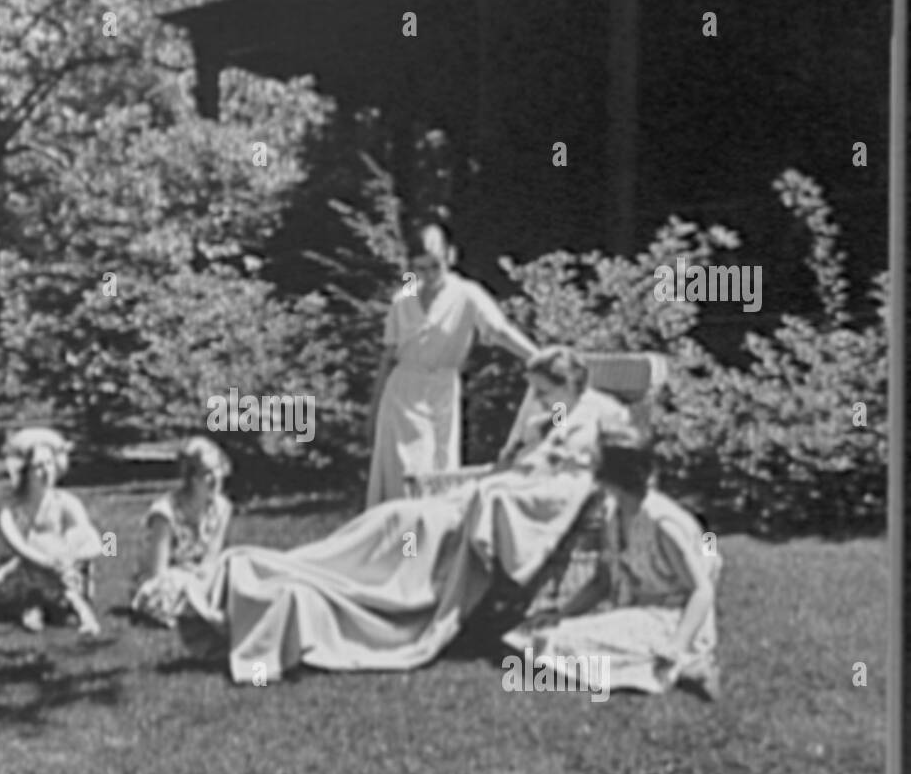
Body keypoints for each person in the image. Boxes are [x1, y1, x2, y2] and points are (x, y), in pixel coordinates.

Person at [185, 346, 634, 683]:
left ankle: (365, 599)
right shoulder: (544, 415)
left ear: (573, 386)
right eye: (534, 392)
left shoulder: (604, 416)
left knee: (425, 525)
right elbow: (508, 461)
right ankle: (292, 570)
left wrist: (505, 490)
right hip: (481, 497)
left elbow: (592, 482)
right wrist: (511, 462)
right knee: (395, 516)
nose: (536, 400)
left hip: (509, 505)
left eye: (544, 391)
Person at [503, 435, 722, 699]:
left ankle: (686, 661)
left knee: (561, 643)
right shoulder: (613, 515)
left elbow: (702, 591)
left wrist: (678, 644)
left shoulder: (663, 523)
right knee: (539, 634)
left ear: (611, 481)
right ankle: (661, 664)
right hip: (638, 610)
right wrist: (562, 614)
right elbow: (601, 583)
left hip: (675, 620)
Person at [365, 223, 540, 508]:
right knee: (405, 474)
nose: (429, 276)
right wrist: (372, 411)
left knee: (438, 471)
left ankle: (433, 544)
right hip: (402, 396)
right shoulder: (404, 299)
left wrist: (537, 356)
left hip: (442, 392)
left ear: (450, 257)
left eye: (435, 266)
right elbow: (387, 358)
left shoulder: (467, 294)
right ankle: (404, 547)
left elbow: (499, 330)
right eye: (420, 269)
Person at [0, 427, 103, 637]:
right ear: (25, 471)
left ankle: (53, 608)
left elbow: (93, 541)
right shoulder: (6, 505)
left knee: (66, 544)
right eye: (38, 467)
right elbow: (16, 545)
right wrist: (46, 562)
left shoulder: (66, 502)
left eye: (49, 464)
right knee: (37, 551)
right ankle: (75, 611)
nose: (46, 472)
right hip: (15, 575)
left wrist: (68, 559)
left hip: (59, 572)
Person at [130, 437, 233, 627]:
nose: (216, 479)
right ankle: (207, 614)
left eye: (219, 470)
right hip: (166, 580)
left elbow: (211, 558)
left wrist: (203, 577)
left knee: (235, 568)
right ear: (191, 478)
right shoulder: (165, 512)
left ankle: (207, 609)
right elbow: (157, 573)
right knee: (172, 587)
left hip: (200, 575)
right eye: (207, 474)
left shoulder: (222, 508)